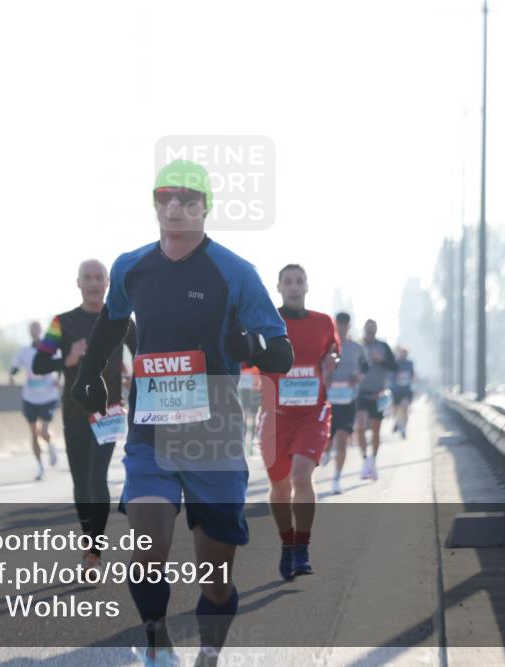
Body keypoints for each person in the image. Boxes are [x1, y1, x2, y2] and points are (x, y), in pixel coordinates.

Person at [71, 159, 293, 667]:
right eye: (166, 197)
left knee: (216, 578)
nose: (175, 207)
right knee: (148, 549)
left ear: (205, 208)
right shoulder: (131, 266)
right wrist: (89, 374)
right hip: (150, 430)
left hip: (213, 435)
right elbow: (111, 321)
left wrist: (251, 342)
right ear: (155, 203)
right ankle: (155, 637)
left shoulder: (234, 272)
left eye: (188, 199)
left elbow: (279, 351)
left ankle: (209, 654)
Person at [33, 260, 137, 569]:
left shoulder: (122, 320)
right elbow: (39, 364)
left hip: (109, 411)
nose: (93, 284)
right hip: (75, 412)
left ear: (108, 283)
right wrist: (69, 358)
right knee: (80, 482)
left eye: (99, 278)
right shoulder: (60, 323)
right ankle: (88, 537)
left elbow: (145, 352)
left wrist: (134, 374)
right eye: (87, 278)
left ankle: (94, 552)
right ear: (78, 283)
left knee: (97, 477)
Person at [258, 265, 338, 580]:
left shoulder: (323, 322)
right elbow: (247, 357)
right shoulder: (266, 323)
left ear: (307, 286)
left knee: (302, 476)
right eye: (288, 282)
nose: (293, 287)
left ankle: (302, 549)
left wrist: (332, 360)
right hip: (275, 416)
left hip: (312, 413)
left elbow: (332, 351)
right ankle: (288, 545)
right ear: (278, 287)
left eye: (299, 281)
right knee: (279, 486)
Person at [322, 312, 367, 494]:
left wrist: (359, 377)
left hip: (348, 400)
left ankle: (336, 479)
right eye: (338, 325)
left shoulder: (356, 348)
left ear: (349, 326)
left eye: (344, 325)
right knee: (327, 440)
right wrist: (325, 374)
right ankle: (325, 452)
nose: (341, 328)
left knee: (342, 440)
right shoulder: (326, 346)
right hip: (327, 400)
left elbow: (365, 369)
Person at [10, 321, 60, 479]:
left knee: (44, 431)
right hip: (30, 397)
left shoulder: (50, 350)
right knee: (33, 433)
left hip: (48, 395)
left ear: (41, 331)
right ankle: (41, 467)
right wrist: (11, 376)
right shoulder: (24, 351)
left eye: (37, 329)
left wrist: (59, 378)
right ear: (29, 332)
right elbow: (15, 367)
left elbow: (59, 365)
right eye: (32, 329)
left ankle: (51, 446)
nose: (35, 332)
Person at [354, 319, 397, 481]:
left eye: (373, 329)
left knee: (376, 430)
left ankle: (373, 461)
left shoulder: (383, 346)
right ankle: (365, 459)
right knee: (360, 428)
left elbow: (394, 367)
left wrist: (381, 360)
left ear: (376, 330)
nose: (370, 332)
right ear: (364, 330)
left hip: (378, 394)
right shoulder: (358, 346)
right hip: (360, 393)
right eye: (368, 329)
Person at [391, 347, 416, 439]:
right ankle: (397, 422)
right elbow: (391, 375)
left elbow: (412, 375)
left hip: (406, 389)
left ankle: (404, 429)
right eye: (402, 353)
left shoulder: (410, 363)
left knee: (405, 408)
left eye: (405, 353)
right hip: (396, 390)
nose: (404, 355)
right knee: (396, 409)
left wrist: (412, 379)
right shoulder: (395, 363)